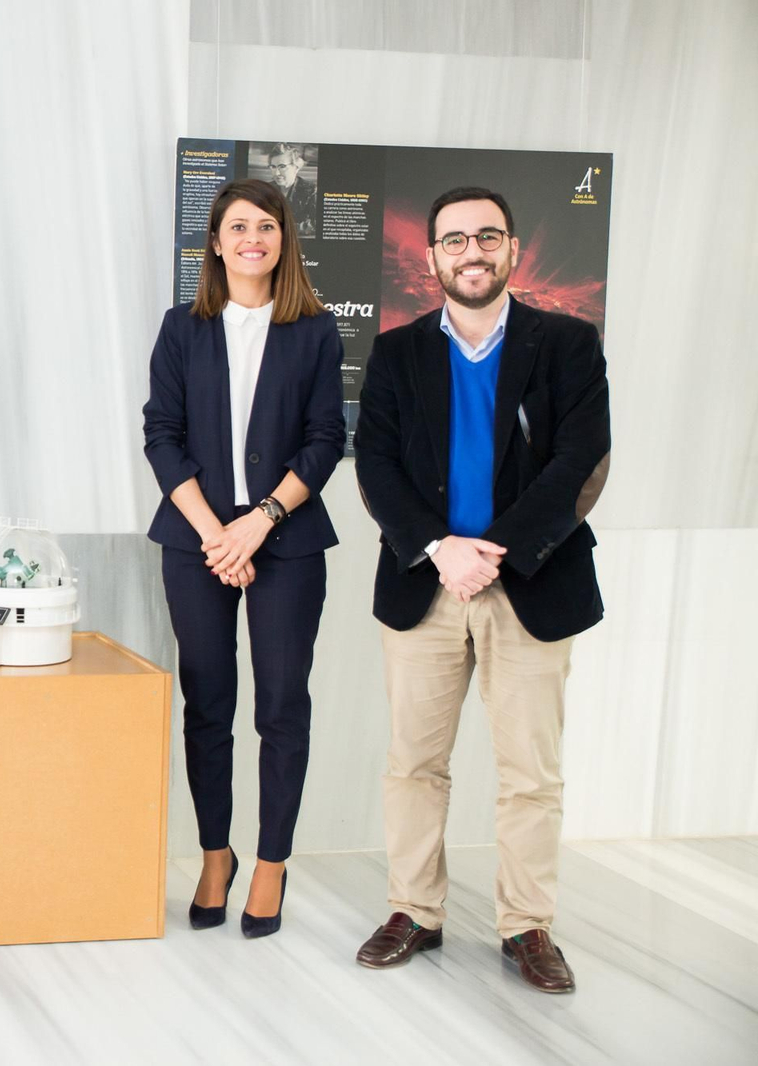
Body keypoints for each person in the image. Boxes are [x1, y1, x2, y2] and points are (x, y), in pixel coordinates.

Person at [352, 187, 610, 993]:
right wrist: (438, 548)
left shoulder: (567, 342)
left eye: (487, 237)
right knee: (413, 764)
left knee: (530, 772)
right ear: (431, 257)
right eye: (455, 239)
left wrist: (489, 553)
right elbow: (376, 465)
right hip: (423, 587)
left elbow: (582, 460)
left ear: (511, 250)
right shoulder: (396, 354)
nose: (472, 251)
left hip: (531, 581)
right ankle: (413, 911)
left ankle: (527, 926)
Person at [142, 178, 344, 938]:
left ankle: (271, 864)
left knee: (282, 705)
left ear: (283, 240)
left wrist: (257, 523)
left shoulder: (316, 331)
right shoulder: (182, 326)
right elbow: (161, 433)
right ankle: (216, 853)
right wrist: (214, 534)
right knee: (209, 705)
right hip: (196, 543)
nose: (251, 237)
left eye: (266, 226)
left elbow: (326, 440)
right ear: (216, 242)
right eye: (236, 226)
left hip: (285, 542)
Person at [266, 143, 318, 238]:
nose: (276, 173)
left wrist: (284, 228)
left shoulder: (311, 190)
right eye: (273, 167)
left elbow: (316, 223)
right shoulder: (265, 190)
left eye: (282, 166)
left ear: (296, 167)